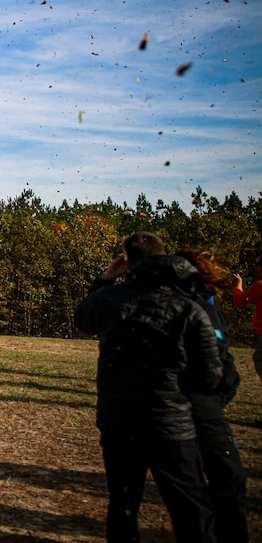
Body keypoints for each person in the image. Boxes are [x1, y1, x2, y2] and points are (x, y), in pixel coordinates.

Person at [75, 231, 222, 543]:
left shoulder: (109, 298)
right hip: (171, 424)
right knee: (192, 510)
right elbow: (209, 377)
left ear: (127, 263)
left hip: (119, 420)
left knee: (123, 506)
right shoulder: (189, 307)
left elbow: (84, 319)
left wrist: (104, 280)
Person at [176, 248, 248, 543]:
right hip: (200, 404)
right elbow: (217, 364)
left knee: (194, 483)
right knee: (227, 479)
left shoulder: (193, 303)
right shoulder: (198, 307)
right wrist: (222, 391)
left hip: (189, 402)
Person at [231, 251, 262, 387]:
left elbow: (241, 301)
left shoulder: (260, 286)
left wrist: (238, 285)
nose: (256, 268)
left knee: (260, 361)